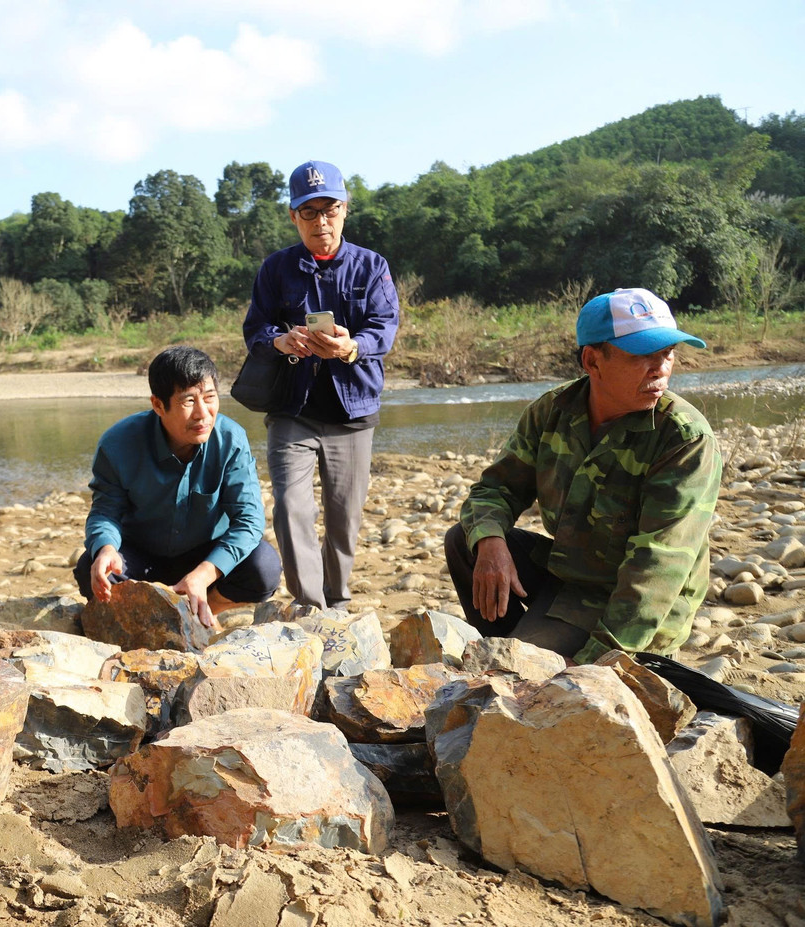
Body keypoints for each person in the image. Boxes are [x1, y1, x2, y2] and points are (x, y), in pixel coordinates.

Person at [445, 287, 722, 664]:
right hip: (570, 576)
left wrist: (596, 663)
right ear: (592, 361)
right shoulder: (553, 411)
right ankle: (505, 649)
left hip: (633, 604)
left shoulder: (683, 439)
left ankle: (520, 658)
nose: (661, 368)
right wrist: (491, 542)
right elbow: (494, 490)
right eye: (643, 355)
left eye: (667, 353)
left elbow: (658, 567)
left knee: (527, 670)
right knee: (467, 538)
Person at [241, 160, 400, 610]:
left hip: (354, 411)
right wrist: (280, 339)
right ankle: (311, 607)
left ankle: (338, 599)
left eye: (329, 209)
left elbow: (384, 328)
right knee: (292, 509)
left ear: (345, 210)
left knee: (344, 516)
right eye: (308, 213)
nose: (320, 222)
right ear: (293, 217)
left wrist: (351, 347)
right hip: (292, 408)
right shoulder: (275, 270)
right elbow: (255, 330)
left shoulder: (372, 267)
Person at [75, 345, 281, 629]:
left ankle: (206, 609)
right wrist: (107, 547)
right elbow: (105, 511)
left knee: (264, 566)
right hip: (141, 558)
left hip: (204, 556)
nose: (203, 414)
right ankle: (150, 619)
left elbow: (249, 520)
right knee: (93, 567)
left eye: (210, 398)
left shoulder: (231, 440)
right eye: (188, 401)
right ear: (158, 405)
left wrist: (204, 574)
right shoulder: (118, 444)